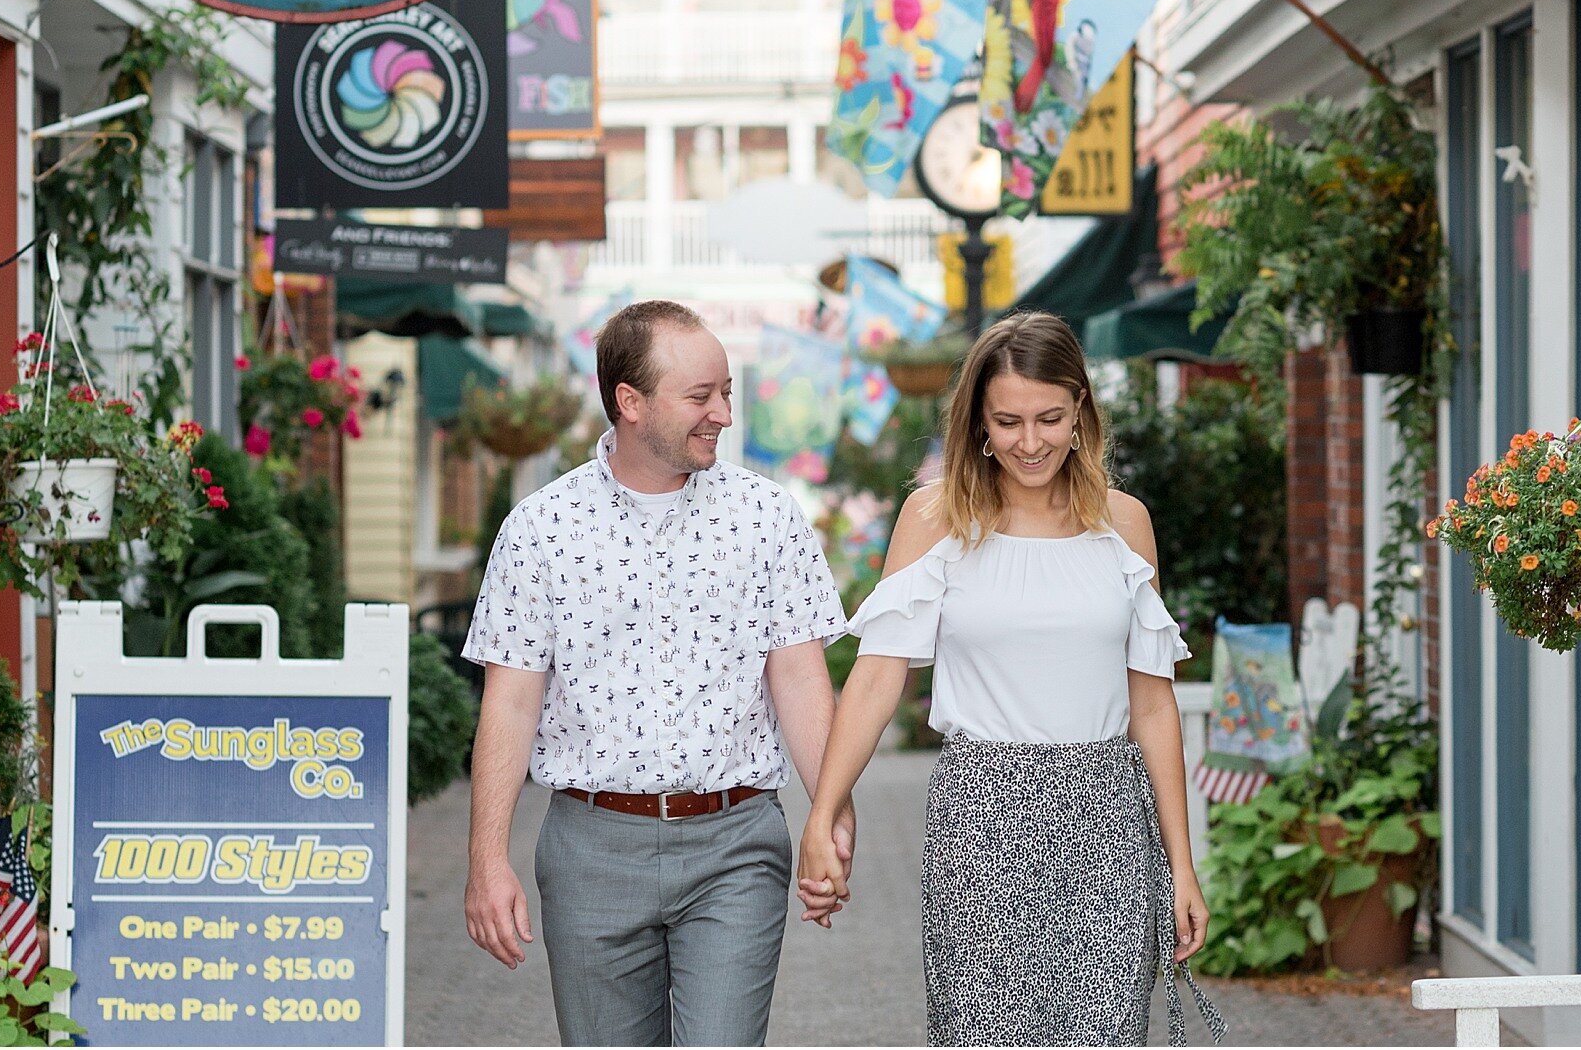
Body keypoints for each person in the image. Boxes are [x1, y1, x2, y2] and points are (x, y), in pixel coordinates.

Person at [794, 311, 1225, 1047]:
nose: (1030, 442)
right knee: (984, 1032)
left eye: (1050, 418)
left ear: (1081, 410)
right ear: (978, 425)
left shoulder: (1125, 525)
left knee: (1105, 1033)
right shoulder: (935, 519)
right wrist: (821, 815)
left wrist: (1182, 867)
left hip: (1108, 817)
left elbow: (1152, 706)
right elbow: (875, 677)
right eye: (1008, 421)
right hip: (981, 811)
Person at [461, 299, 855, 1047]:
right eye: (701, 397)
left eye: (727, 392)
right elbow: (509, 707)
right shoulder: (541, 529)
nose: (723, 415)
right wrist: (487, 862)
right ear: (630, 403)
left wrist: (830, 810)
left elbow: (801, 680)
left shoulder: (768, 518)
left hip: (736, 845)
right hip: (589, 850)